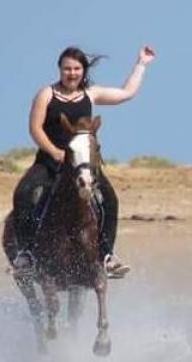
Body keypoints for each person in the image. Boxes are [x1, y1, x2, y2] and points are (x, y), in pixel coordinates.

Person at [11, 45, 156, 278]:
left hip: (83, 164)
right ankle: (26, 253)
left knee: (109, 199)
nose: (72, 73)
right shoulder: (46, 94)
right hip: (50, 162)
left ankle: (107, 255)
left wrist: (141, 64)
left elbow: (126, 93)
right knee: (24, 193)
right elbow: (35, 128)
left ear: (83, 70)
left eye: (76, 69)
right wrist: (54, 151)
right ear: (60, 69)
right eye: (67, 68)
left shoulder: (90, 94)